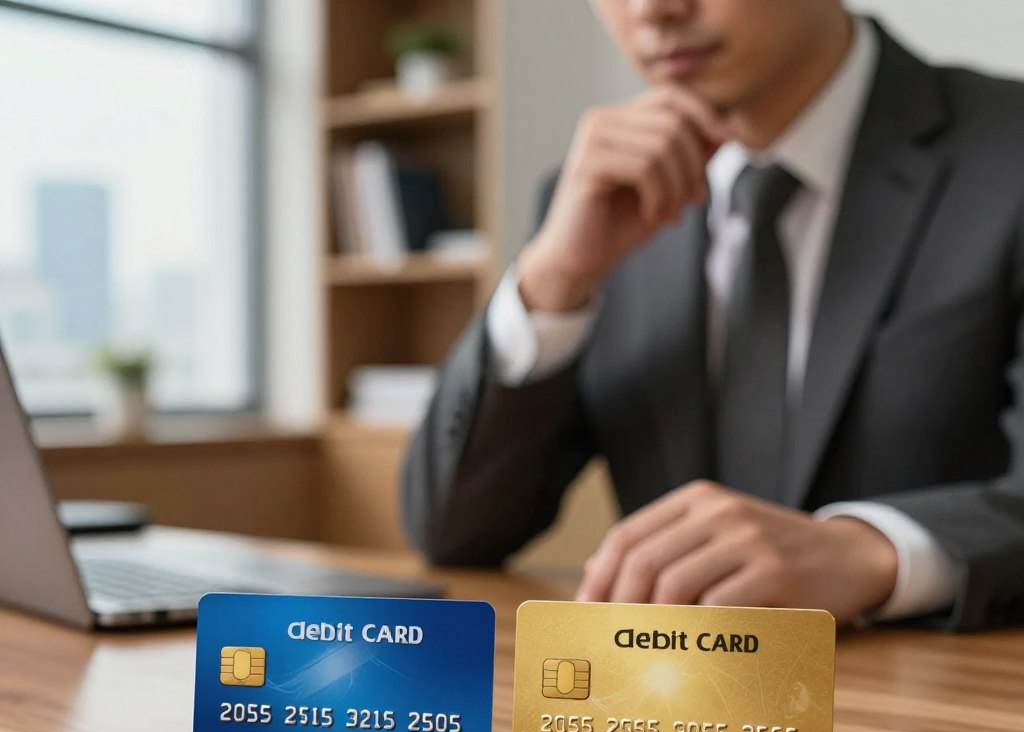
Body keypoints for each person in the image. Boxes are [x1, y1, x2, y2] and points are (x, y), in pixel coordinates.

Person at [402, 0, 1024, 630]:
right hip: (670, 708)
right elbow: (454, 532)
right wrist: (553, 280)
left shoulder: (1007, 151)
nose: (651, 10)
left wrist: (874, 552)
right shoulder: (596, 201)